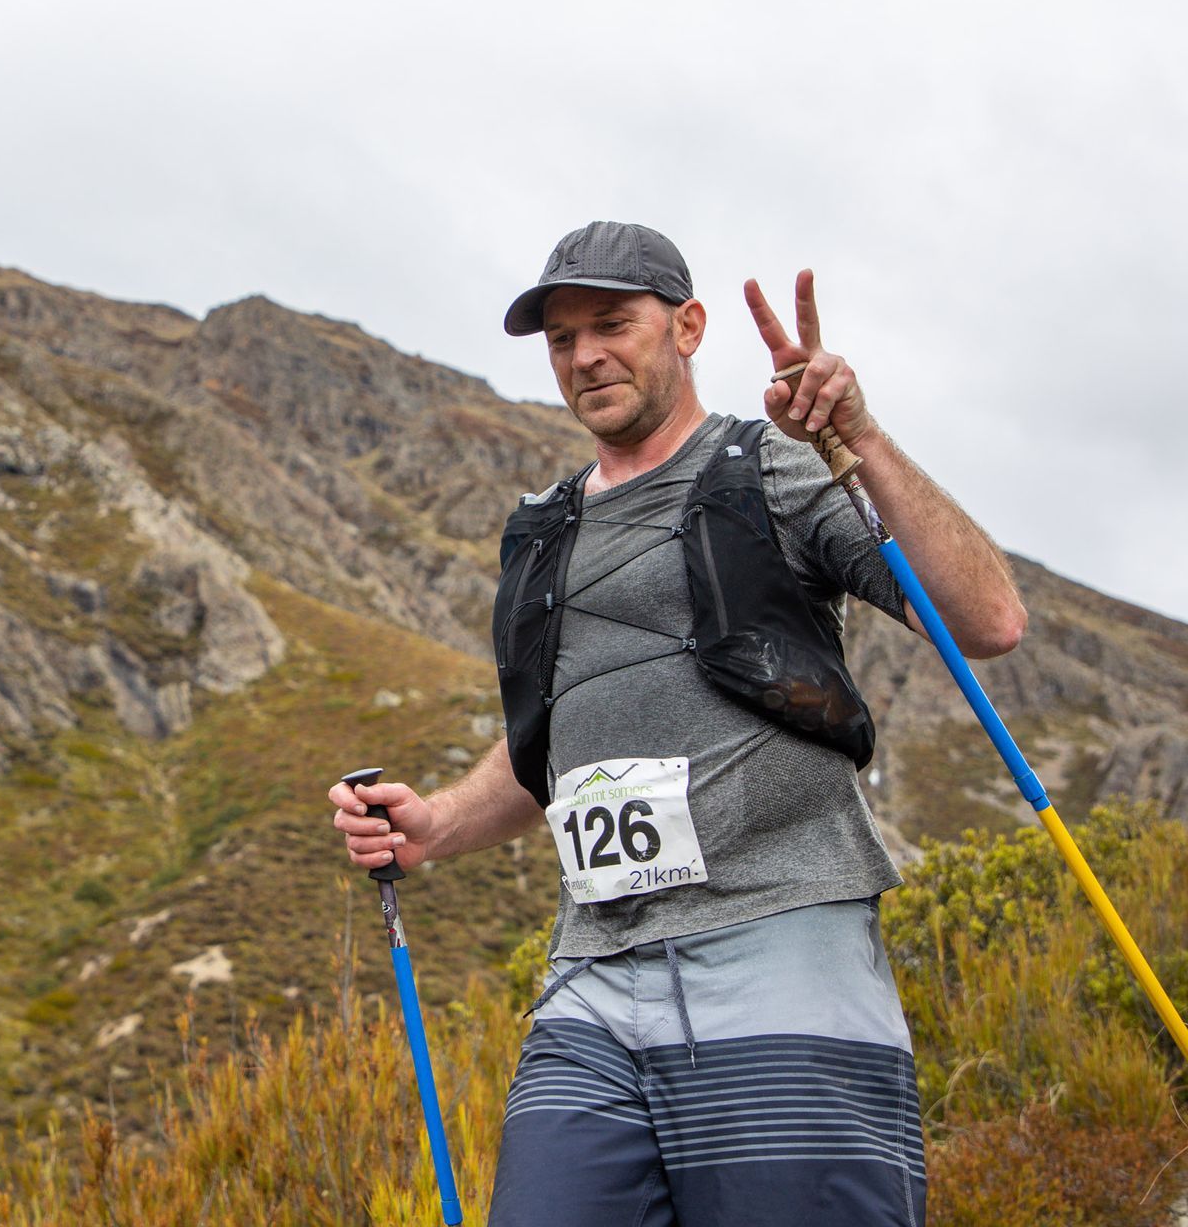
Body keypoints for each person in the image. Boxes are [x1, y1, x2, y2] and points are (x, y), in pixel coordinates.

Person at [329, 221, 1025, 1227]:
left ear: (689, 327)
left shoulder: (767, 471)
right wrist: (434, 821)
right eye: (562, 339)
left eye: (612, 324)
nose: (585, 356)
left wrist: (856, 438)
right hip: (593, 979)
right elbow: (552, 744)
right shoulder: (543, 528)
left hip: (779, 950)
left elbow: (987, 620)